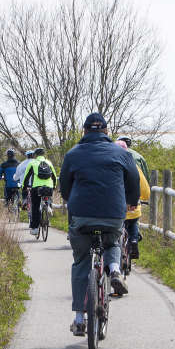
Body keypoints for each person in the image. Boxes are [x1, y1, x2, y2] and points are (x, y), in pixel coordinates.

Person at [59, 113, 139, 335]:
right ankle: (114, 269)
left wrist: (71, 200)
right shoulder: (121, 153)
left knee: (81, 261)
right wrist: (131, 202)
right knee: (112, 241)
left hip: (82, 216)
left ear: (84, 131)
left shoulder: (73, 154)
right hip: (113, 214)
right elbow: (132, 180)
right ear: (106, 131)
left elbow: (64, 188)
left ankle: (78, 319)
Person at [115, 140, 150, 261]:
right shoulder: (134, 167)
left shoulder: (111, 166)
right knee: (133, 223)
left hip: (115, 208)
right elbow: (144, 187)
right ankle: (134, 240)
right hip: (133, 207)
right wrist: (144, 198)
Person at [22, 147, 57, 236]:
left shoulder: (33, 163)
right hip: (48, 187)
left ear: (35, 155)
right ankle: (48, 206)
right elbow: (54, 176)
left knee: (35, 207)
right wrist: (54, 186)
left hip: (36, 187)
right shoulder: (49, 162)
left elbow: (26, 177)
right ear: (44, 154)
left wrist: (24, 187)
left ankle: (35, 228)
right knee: (47, 196)